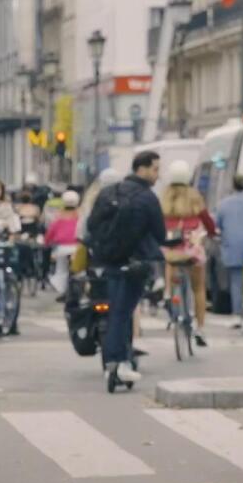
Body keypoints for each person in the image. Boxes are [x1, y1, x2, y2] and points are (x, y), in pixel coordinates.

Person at [96, 152, 166, 386]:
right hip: (136, 262)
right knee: (123, 313)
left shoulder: (108, 193)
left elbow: (92, 225)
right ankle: (119, 362)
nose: (158, 174)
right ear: (142, 169)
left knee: (116, 311)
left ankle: (113, 363)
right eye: (155, 169)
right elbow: (160, 233)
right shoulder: (147, 197)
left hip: (110, 260)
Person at [159, 160, 217, 346]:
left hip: (171, 244)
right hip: (192, 244)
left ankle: (168, 293)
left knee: (169, 260)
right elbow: (207, 220)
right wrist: (212, 232)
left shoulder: (164, 197)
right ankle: (200, 328)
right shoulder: (194, 196)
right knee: (198, 288)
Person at [214, 174, 243, 327]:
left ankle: (237, 314)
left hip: (232, 245)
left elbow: (217, 226)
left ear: (232, 185)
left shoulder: (223, 204)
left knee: (236, 281)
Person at [44, 190, 81, 297]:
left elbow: (51, 232)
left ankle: (63, 291)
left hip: (62, 248)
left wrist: (46, 242)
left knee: (61, 269)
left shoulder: (59, 217)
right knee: (80, 269)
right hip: (77, 247)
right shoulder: (80, 215)